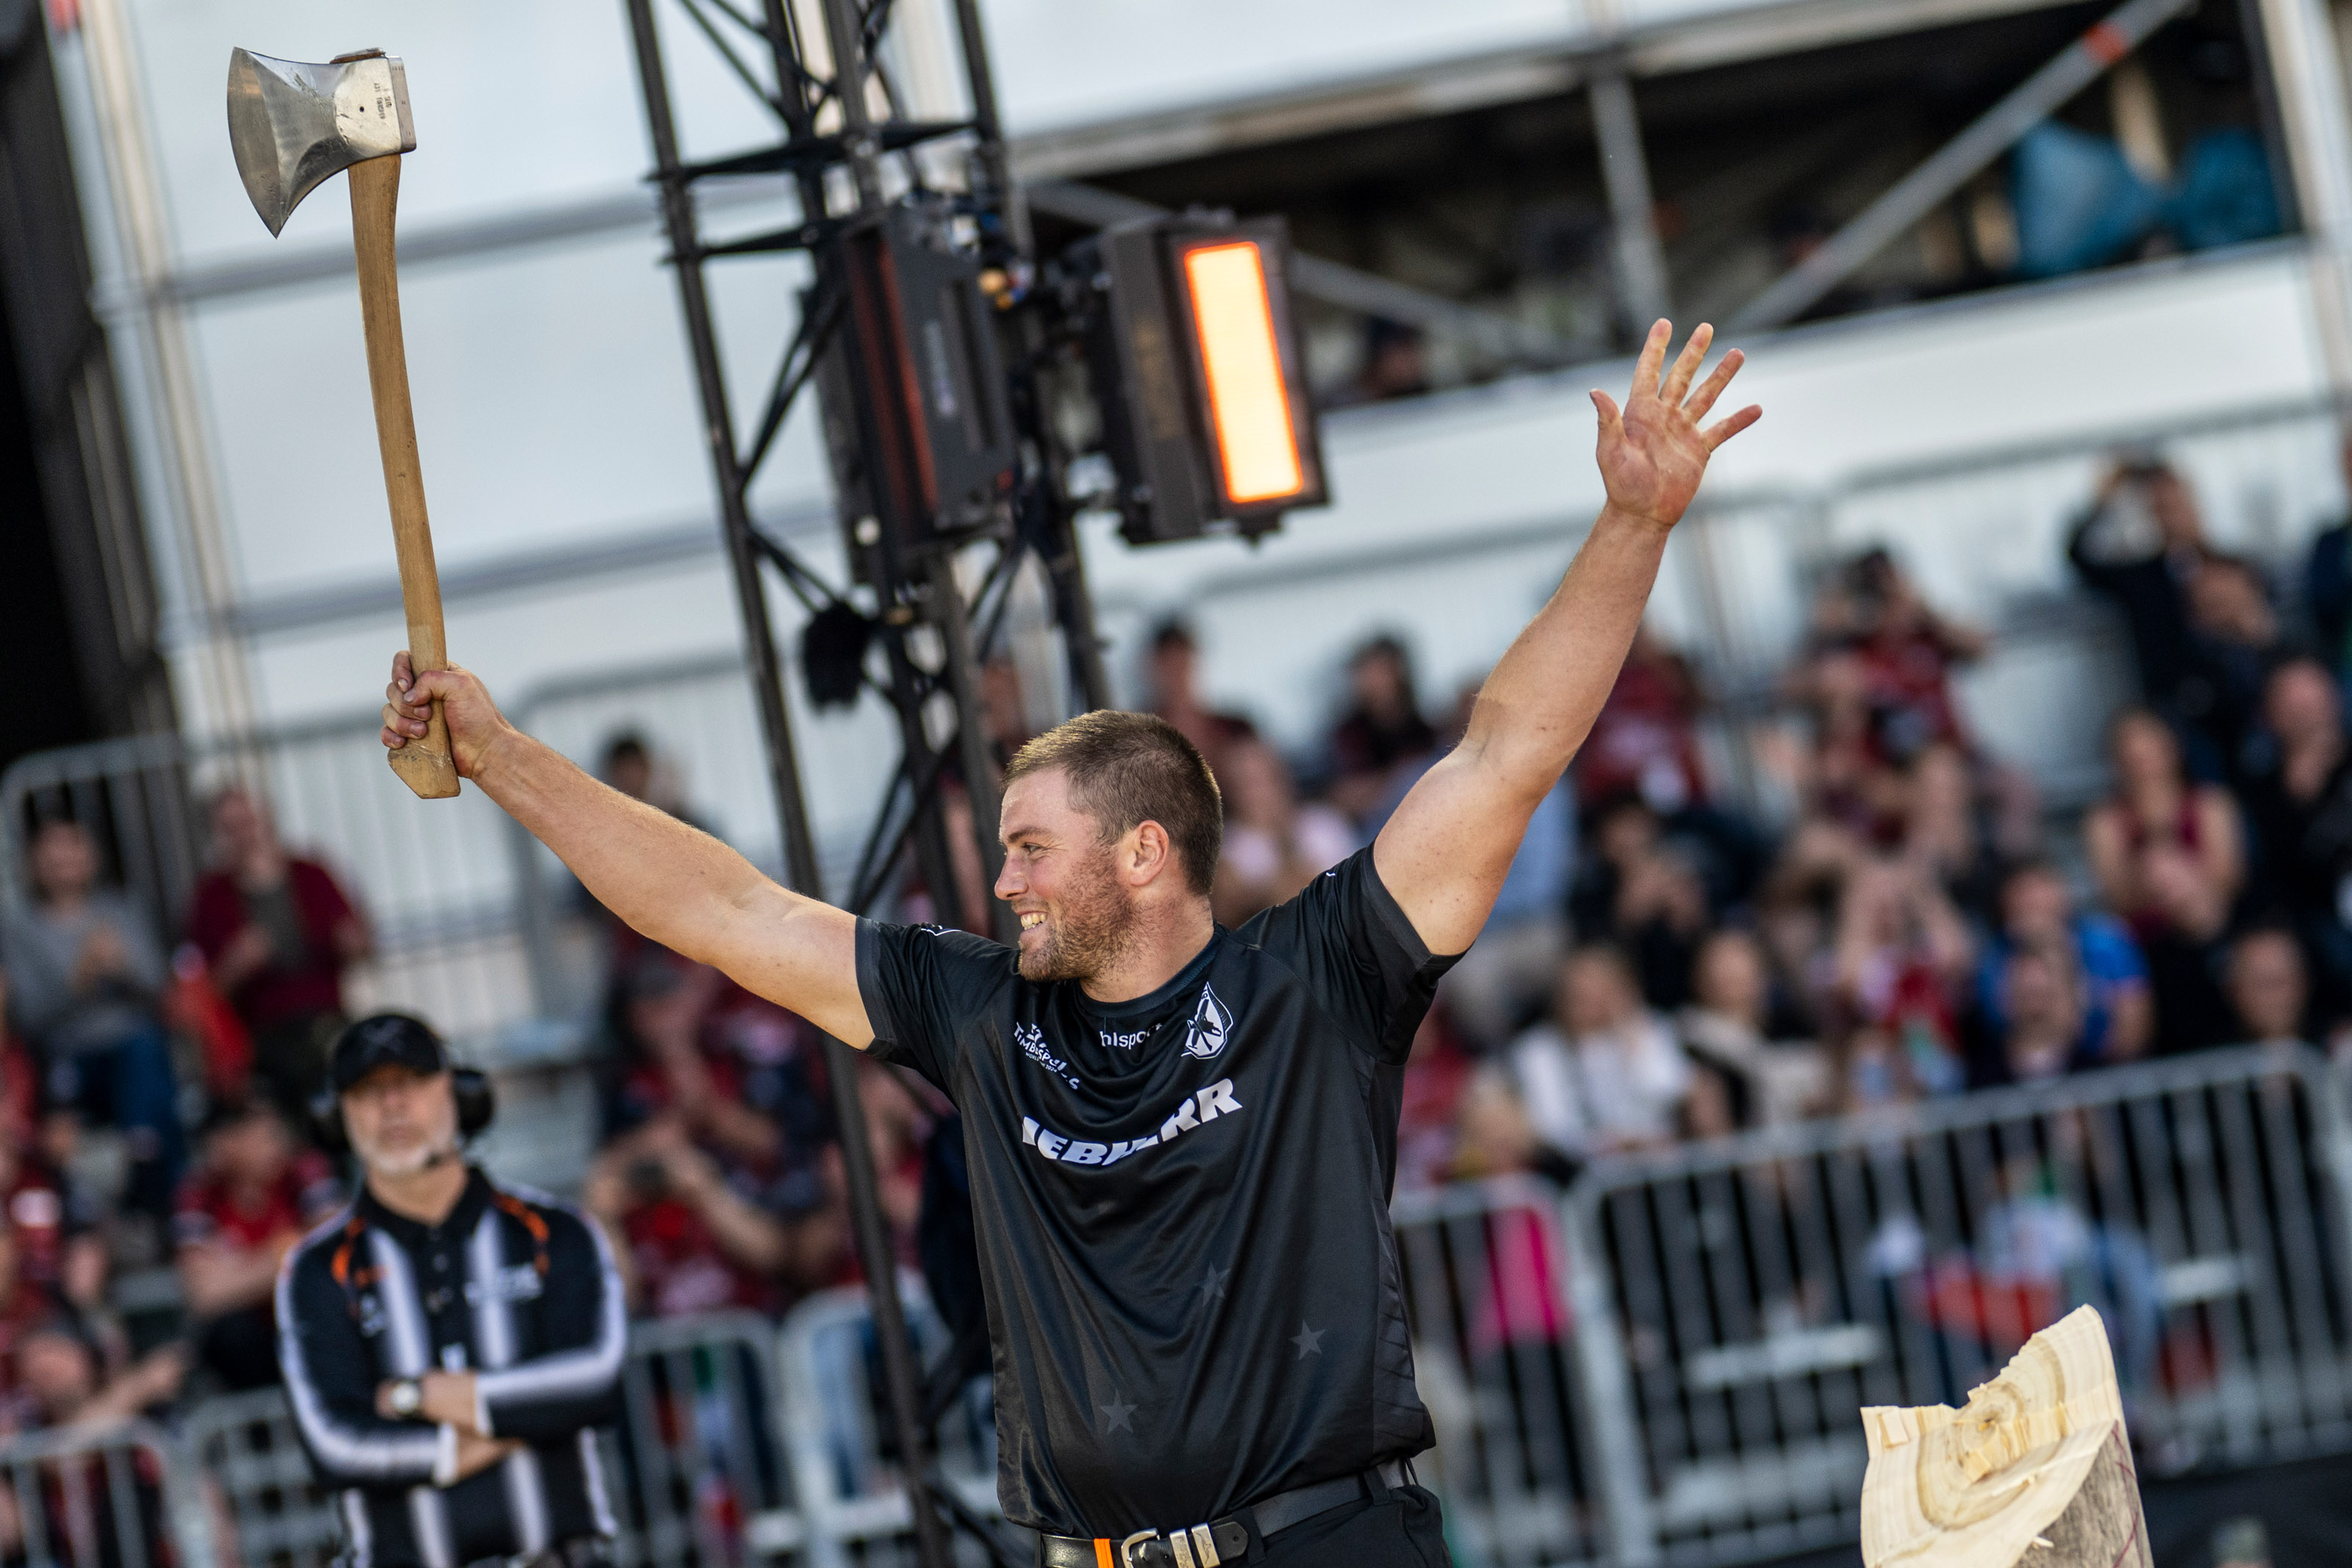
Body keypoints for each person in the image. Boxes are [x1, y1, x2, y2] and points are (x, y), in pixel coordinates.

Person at [376, 319, 1760, 1565]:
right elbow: (726, 909)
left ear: (1145, 851)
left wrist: (1633, 523)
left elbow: (1505, 751)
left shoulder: (1315, 976)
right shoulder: (981, 1012)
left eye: (1031, 844)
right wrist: (501, 757)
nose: (1002, 874)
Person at [277, 1015, 625, 1568]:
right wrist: (513, 1424)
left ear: (459, 1093)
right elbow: (333, 1445)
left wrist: (417, 1398)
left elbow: (598, 1378)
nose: (393, 1106)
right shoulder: (317, 1270)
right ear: (335, 1116)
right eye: (368, 1091)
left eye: (412, 1081)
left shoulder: (553, 1232)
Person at [0, 819, 184, 1218]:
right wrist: (78, 980)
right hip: (65, 1051)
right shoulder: (21, 929)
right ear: (34, 862)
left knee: (145, 1054)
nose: (64, 857)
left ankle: (150, 1176)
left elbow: (159, 989)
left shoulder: (123, 909)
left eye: (73, 845)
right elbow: (27, 1016)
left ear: (92, 856)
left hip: (130, 1044)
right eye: (53, 848)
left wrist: (123, 968)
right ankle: (81, 1219)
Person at [185, 787, 371, 1118]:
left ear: (266, 821)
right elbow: (204, 990)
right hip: (263, 1030)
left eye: (248, 822)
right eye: (232, 827)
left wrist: (353, 942)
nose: (244, 834)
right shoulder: (211, 897)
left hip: (324, 1013)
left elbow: (360, 944)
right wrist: (236, 965)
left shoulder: (310, 873)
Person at [2083, 708, 2241, 1054]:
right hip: (2146, 956)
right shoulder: (2105, 820)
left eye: (2147, 744)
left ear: (2172, 747)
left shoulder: (2210, 803)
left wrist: (2173, 880)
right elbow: (2117, 896)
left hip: (2210, 944)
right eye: (2128, 749)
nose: (2140, 757)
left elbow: (2229, 880)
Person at [174, 1096, 344, 1389]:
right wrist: (286, 1251)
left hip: (308, 1316)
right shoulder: (198, 1193)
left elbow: (335, 1246)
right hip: (255, 1339)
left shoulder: (304, 1169)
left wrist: (241, 1269)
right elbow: (205, 1294)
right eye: (263, 1137)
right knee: (229, 1334)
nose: (276, 1145)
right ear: (227, 1143)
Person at [1501, 945, 1704, 1163]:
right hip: (1578, 1172)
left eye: (1597, 990)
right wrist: (1609, 1144)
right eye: (1577, 993)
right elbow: (1550, 1125)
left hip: (1653, 1166)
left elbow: (1670, 1088)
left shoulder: (1648, 1028)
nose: (1586, 1001)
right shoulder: (1537, 1050)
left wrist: (1632, 1037)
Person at [1974, 860, 2152, 1067]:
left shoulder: (2106, 940)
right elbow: (2006, 1032)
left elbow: (2134, 1029)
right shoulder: (1995, 960)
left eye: (2041, 887)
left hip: (2105, 1073)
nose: (2036, 902)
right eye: (2025, 894)